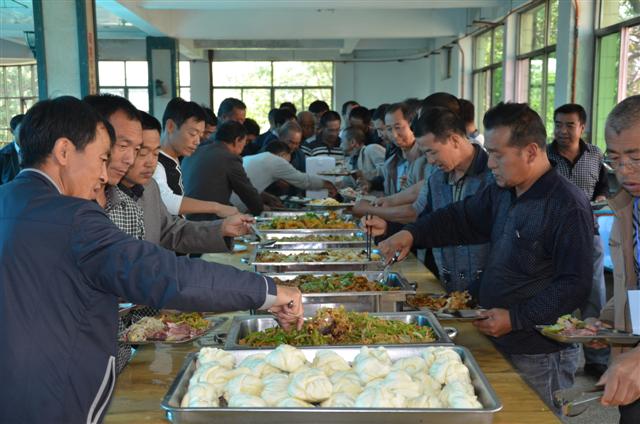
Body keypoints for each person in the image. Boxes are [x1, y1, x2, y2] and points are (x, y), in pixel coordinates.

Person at [0, 96, 303, 424]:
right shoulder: (74, 218)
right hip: (50, 399)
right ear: (63, 151)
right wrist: (267, 291)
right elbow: (163, 274)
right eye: (102, 158)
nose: (103, 174)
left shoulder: (9, 199)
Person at [367, 102, 594, 412]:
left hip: (538, 353)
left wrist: (516, 318)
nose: (490, 163)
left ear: (530, 152)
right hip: (497, 334)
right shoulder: (504, 191)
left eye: (498, 155)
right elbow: (459, 219)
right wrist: (410, 234)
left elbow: (575, 284)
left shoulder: (566, 205)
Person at [365, 107, 493, 292]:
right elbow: (427, 224)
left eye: (432, 152)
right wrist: (388, 228)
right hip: (449, 288)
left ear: (454, 140)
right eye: (425, 154)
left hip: (486, 291)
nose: (430, 161)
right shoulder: (436, 178)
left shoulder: (493, 177)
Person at [547, 103, 611, 378]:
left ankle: (597, 359)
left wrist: (601, 197)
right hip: (554, 238)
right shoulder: (545, 155)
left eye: (569, 125)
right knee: (555, 294)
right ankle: (555, 353)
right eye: (558, 124)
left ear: (582, 127)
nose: (562, 130)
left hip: (589, 234)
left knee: (594, 294)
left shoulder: (595, 154)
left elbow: (602, 185)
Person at [596, 95, 640, 423]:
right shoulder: (628, 205)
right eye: (614, 158)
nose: (624, 171)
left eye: (636, 158)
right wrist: (612, 318)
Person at [153, 97, 238, 218]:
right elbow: (164, 200)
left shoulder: (174, 159)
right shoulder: (154, 163)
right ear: (170, 126)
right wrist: (217, 208)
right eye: (192, 134)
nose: (197, 141)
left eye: (200, 135)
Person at [182, 120, 263, 221]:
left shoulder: (196, 151)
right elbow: (247, 193)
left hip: (184, 216)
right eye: (245, 142)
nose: (244, 146)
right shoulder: (229, 158)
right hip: (206, 221)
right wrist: (261, 213)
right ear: (237, 140)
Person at [230, 141, 335, 212]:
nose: (287, 166)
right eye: (287, 162)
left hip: (229, 202)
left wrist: (269, 197)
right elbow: (303, 181)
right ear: (281, 155)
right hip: (236, 207)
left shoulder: (254, 158)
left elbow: (251, 186)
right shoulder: (276, 161)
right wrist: (328, 184)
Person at [381, 102, 427, 195]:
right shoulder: (392, 161)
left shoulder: (427, 156)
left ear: (411, 124)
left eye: (398, 127)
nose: (394, 135)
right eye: (389, 129)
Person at [0, 113, 24, 185]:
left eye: (29, 130)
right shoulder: (2, 155)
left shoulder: (37, 152)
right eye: (22, 130)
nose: (26, 134)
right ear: (12, 131)